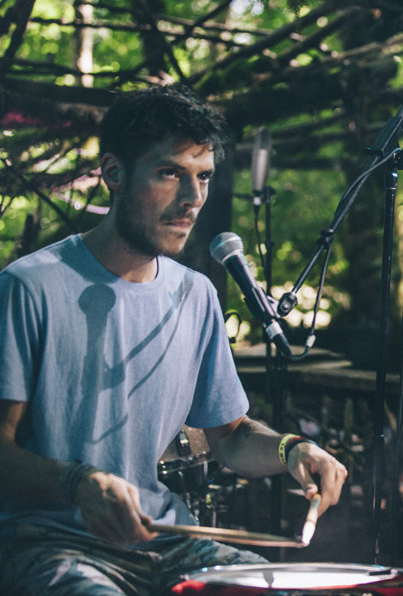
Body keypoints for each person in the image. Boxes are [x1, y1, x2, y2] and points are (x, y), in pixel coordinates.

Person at [0, 85, 349, 595]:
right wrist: (77, 484)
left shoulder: (195, 295)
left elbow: (230, 438)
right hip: (51, 544)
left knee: (280, 589)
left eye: (203, 177)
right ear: (114, 174)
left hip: (166, 540)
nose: (192, 200)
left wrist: (294, 450)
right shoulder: (28, 287)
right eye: (170, 173)